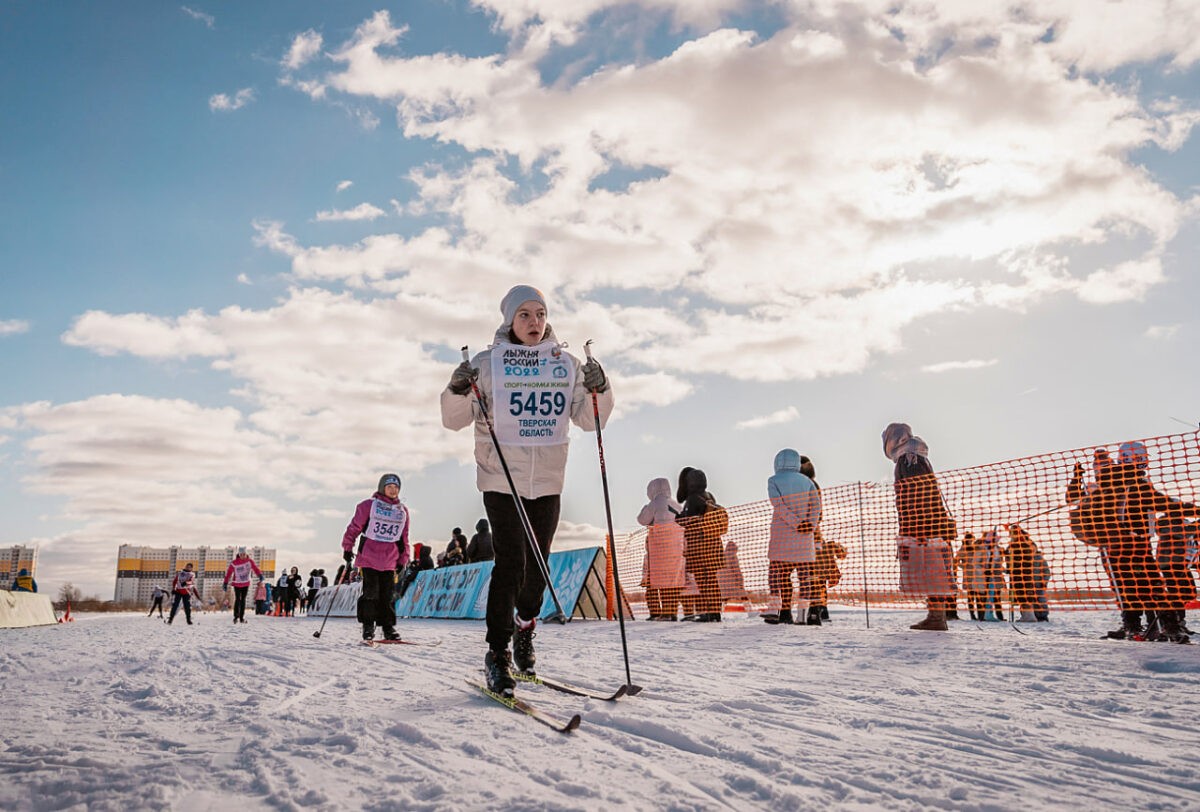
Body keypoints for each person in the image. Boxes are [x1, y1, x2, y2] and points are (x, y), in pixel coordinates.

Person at [440, 284, 613, 696]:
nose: (534, 322)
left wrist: (599, 388)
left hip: (547, 480)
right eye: (524, 315)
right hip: (500, 478)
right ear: (509, 321)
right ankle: (497, 652)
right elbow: (454, 420)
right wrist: (458, 388)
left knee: (538, 567)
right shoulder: (487, 364)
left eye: (540, 314)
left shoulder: (564, 363)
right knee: (510, 564)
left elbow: (591, 420)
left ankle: (524, 627)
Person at [882, 423, 957, 631]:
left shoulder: (909, 459)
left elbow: (917, 495)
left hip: (923, 524)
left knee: (932, 569)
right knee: (934, 569)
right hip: (931, 523)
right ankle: (936, 616)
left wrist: (914, 526)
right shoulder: (916, 456)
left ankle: (937, 617)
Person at [342, 473, 412, 642]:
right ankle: (368, 626)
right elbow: (354, 528)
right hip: (369, 557)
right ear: (382, 488)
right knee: (371, 593)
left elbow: (404, 537)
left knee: (387, 596)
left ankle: (388, 628)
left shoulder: (402, 511)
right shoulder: (368, 506)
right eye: (390, 487)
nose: (393, 490)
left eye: (396, 487)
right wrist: (347, 547)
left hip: (390, 559)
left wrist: (404, 558)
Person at [763, 449, 822, 625]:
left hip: (782, 537)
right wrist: (809, 525)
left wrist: (795, 523)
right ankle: (802, 614)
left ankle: (778, 610)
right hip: (804, 538)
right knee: (804, 577)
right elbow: (816, 505)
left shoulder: (773, 480)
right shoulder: (808, 482)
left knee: (778, 575)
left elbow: (778, 505)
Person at [676, 467, 729, 622]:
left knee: (703, 579)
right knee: (712, 579)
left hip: (699, 545)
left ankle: (710, 612)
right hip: (713, 543)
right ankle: (715, 612)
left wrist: (678, 517)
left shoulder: (692, 499)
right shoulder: (709, 496)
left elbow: (688, 520)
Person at [637, 477, 685, 620]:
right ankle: (671, 613)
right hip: (676, 549)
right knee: (672, 583)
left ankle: (660, 613)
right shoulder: (677, 505)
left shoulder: (655, 503)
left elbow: (642, 519)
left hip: (659, 551)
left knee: (658, 582)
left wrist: (646, 508)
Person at [222, 547, 264, 625]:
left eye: (244, 554)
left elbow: (255, 568)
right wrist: (225, 582)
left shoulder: (249, 561)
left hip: (245, 583)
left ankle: (241, 617)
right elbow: (229, 573)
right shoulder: (234, 563)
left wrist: (260, 575)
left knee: (243, 600)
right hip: (237, 583)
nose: (242, 556)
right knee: (238, 599)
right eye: (241, 554)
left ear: (246, 554)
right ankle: (236, 616)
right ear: (239, 554)